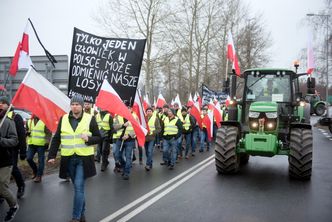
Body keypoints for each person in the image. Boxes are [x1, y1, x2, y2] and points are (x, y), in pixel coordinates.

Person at [47, 95, 101, 222]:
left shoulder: (90, 119)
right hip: (68, 159)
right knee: (78, 188)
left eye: (77, 104)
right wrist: (51, 155)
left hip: (84, 159)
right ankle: (82, 213)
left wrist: (89, 139)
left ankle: (75, 217)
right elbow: (57, 138)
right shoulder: (64, 118)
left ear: (82, 106)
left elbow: (99, 137)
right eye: (73, 104)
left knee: (78, 186)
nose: (75, 106)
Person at [0, 96, 26, 199]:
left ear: (8, 105)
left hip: (12, 149)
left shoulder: (16, 117)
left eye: (2, 103)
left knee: (13, 168)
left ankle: (21, 185)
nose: (0, 105)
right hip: (1, 149)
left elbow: (21, 136)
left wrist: (23, 151)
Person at [0, 108, 19, 222]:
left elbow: (14, 140)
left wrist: (1, 140)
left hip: (4, 161)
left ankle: (13, 206)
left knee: (2, 187)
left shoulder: (7, 121)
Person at [26, 115, 51, 183]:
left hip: (41, 144)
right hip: (31, 144)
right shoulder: (29, 121)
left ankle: (39, 176)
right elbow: (27, 130)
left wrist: (47, 142)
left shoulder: (44, 121)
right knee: (28, 158)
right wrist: (27, 133)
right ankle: (35, 170)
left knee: (41, 161)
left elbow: (49, 133)